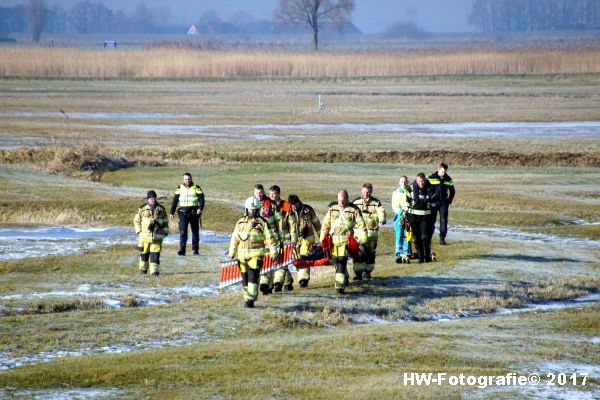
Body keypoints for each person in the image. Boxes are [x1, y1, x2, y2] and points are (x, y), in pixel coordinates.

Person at [228, 196, 278, 308]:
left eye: (255, 210)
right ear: (246, 209)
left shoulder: (262, 223)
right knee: (244, 278)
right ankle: (247, 298)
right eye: (251, 209)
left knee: (253, 277)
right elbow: (234, 238)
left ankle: (251, 299)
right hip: (242, 257)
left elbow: (270, 238)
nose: (253, 211)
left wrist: (274, 253)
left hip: (256, 256)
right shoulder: (240, 222)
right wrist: (232, 253)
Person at [320, 190, 367, 294]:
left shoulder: (354, 210)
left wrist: (362, 240)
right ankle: (345, 277)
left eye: (343, 200)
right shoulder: (332, 209)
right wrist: (322, 239)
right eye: (339, 200)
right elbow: (325, 225)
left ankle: (339, 287)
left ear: (347, 199)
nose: (340, 203)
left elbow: (361, 226)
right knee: (337, 263)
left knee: (341, 262)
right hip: (333, 243)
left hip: (346, 243)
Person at [352, 183, 386, 280]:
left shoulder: (376, 202)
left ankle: (368, 272)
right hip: (359, 235)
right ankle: (358, 273)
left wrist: (382, 219)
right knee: (358, 254)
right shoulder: (355, 202)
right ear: (361, 191)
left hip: (372, 235)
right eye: (364, 192)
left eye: (368, 192)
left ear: (371, 192)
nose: (366, 194)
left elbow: (381, 211)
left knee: (370, 254)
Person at [253, 184, 282, 295]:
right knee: (261, 261)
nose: (259, 195)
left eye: (260, 193)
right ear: (254, 193)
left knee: (270, 260)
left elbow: (279, 222)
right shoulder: (251, 204)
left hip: (272, 237)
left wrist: (281, 237)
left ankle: (266, 285)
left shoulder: (272, 204)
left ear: (263, 192)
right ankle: (265, 284)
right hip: (258, 239)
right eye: (256, 193)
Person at [288, 194, 321, 288]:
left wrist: (322, 238)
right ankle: (300, 278)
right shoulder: (288, 212)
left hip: (307, 239)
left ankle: (303, 280)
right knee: (297, 259)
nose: (294, 206)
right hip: (295, 242)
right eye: (292, 205)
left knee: (304, 256)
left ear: (298, 202)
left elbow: (317, 224)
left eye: (296, 204)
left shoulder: (308, 210)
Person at [134, 190, 169, 276]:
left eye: (153, 198)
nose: (152, 200)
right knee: (144, 255)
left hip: (157, 237)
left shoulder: (161, 209)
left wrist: (165, 232)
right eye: (150, 198)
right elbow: (136, 221)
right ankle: (143, 270)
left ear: (155, 198)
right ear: (148, 199)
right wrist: (139, 231)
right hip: (144, 237)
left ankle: (154, 272)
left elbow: (165, 221)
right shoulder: (142, 209)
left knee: (155, 256)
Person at [269, 185, 297, 292]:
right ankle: (287, 282)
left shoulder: (286, 206)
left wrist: (293, 239)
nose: (272, 196)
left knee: (284, 262)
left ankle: (282, 283)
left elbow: (292, 223)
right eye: (270, 194)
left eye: (274, 194)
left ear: (278, 194)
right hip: (273, 239)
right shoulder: (268, 206)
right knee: (276, 261)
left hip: (285, 239)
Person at [170, 172, 205, 256]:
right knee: (183, 231)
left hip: (194, 212)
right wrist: (172, 212)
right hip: (183, 213)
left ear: (191, 179)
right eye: (185, 179)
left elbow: (201, 199)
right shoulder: (179, 188)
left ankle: (195, 249)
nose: (187, 181)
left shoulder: (196, 187)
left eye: (188, 179)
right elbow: (175, 200)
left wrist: (200, 209)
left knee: (195, 232)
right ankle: (182, 250)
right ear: (183, 180)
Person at [406, 173, 437, 263]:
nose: (421, 183)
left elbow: (434, 204)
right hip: (413, 217)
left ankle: (427, 256)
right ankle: (420, 257)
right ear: (416, 180)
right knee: (417, 238)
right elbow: (407, 203)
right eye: (419, 181)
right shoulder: (410, 188)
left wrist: (433, 217)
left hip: (426, 216)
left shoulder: (431, 188)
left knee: (425, 237)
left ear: (425, 180)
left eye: (422, 181)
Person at [428, 163, 456, 245]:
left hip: (443, 202)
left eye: (445, 171)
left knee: (443, 220)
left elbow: (452, 191)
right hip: (433, 202)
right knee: (431, 221)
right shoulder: (431, 178)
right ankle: (429, 238)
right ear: (438, 169)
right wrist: (429, 199)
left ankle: (442, 239)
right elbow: (426, 189)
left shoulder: (448, 179)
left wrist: (449, 200)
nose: (443, 173)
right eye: (442, 171)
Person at [392, 176, 412, 263]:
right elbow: (395, 206)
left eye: (405, 181)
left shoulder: (410, 192)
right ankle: (398, 253)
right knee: (399, 234)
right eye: (401, 182)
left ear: (407, 182)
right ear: (399, 182)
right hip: (400, 216)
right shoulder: (396, 192)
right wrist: (402, 212)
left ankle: (407, 252)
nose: (403, 183)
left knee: (408, 234)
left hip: (409, 215)